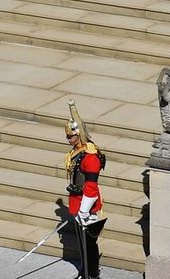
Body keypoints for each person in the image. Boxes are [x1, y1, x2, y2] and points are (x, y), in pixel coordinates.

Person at [64, 100, 106, 279]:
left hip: (87, 203)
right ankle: (85, 271)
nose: (68, 139)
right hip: (77, 200)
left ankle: (92, 274)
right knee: (82, 243)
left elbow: (91, 185)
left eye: (71, 136)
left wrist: (84, 208)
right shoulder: (77, 152)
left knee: (89, 242)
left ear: (78, 135)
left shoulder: (90, 156)